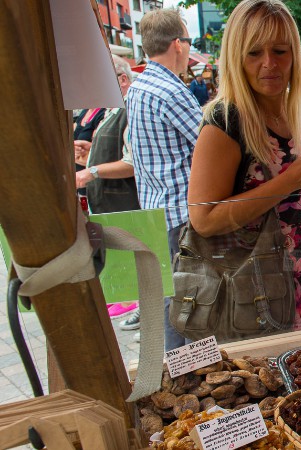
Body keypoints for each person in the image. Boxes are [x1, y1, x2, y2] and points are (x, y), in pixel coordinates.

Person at [187, 0, 301, 331]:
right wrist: (291, 180)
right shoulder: (225, 120)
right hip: (253, 287)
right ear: (236, 57)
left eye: (280, 50)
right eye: (254, 53)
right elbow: (203, 219)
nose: (269, 63)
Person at [125, 8, 201, 349]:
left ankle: (176, 368)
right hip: (181, 215)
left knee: (173, 296)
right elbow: (211, 145)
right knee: (189, 301)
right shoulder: (171, 92)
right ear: (178, 44)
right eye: (187, 41)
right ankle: (185, 370)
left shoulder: (139, 86)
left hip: (156, 210)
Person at [75, 55, 140, 215]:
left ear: (123, 79)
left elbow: (133, 162)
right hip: (108, 205)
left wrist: (91, 172)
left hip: (123, 207)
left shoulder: (130, 108)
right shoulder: (113, 109)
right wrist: (91, 150)